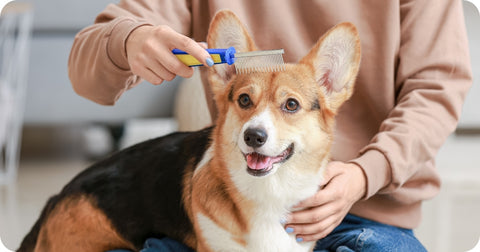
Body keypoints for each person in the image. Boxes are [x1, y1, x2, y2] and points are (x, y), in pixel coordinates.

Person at [68, 0, 472, 251]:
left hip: (366, 212)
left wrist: (367, 173)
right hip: (232, 209)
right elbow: (85, 69)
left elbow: (437, 87)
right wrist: (128, 40)